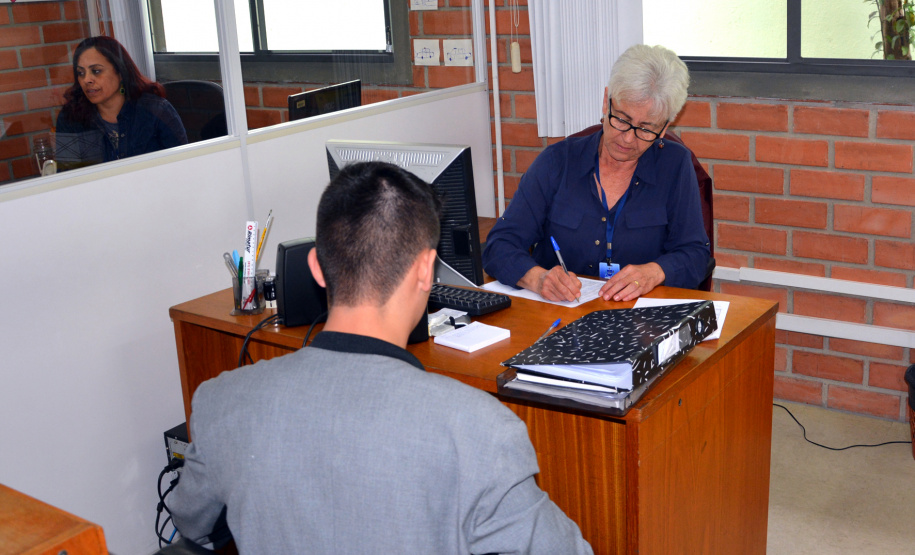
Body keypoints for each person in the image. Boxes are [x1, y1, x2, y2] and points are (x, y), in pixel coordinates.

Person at [169, 161, 593, 555]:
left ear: (316, 266)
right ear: (427, 270)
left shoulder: (222, 401)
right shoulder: (480, 431)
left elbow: (190, 522)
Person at [483, 44, 710, 303]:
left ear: (665, 127)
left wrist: (655, 272)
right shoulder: (558, 162)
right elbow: (499, 246)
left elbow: (695, 255)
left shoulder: (675, 165)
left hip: (637, 322)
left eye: (646, 129)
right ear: (606, 101)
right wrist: (538, 279)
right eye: (622, 119)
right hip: (558, 315)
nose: (627, 138)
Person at [55, 36, 187, 167]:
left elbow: (184, 165)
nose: (87, 80)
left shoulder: (156, 110)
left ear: (120, 71)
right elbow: (68, 179)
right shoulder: (71, 117)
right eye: (81, 73)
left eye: (96, 71)